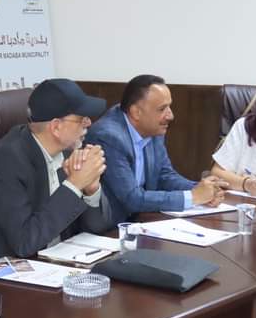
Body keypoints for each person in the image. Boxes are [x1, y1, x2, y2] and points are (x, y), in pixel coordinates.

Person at [0, 78, 112, 264]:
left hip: (54, 262)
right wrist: (74, 185)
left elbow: (96, 229)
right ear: (56, 127)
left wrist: (91, 190)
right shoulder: (8, 159)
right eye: (81, 119)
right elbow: (25, 243)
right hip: (0, 268)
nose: (88, 123)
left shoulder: (68, 150)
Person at [85, 74, 226, 224]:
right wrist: (193, 197)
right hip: (111, 226)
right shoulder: (108, 137)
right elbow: (132, 198)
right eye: (162, 109)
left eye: (169, 106)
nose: (170, 115)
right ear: (136, 112)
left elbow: (164, 176)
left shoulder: (152, 128)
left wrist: (203, 189)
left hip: (142, 220)